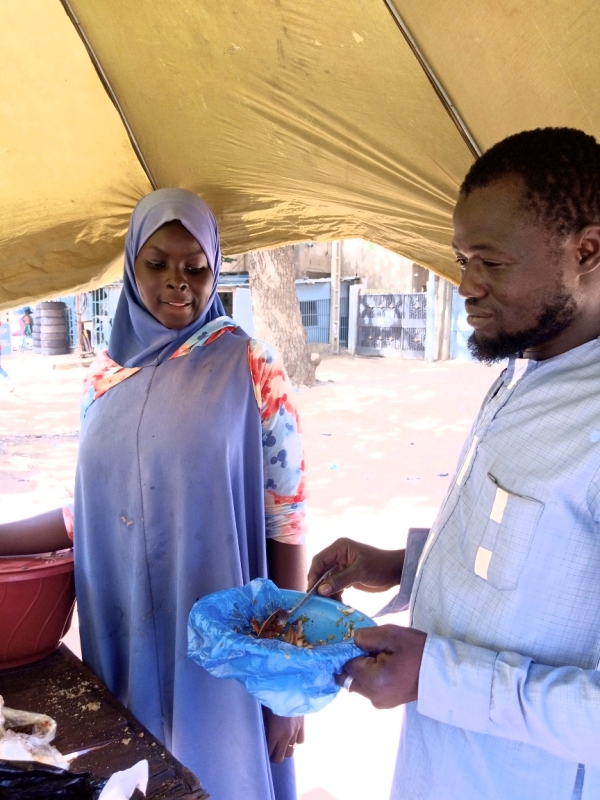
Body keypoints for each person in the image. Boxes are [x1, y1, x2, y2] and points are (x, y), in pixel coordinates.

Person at [309, 128, 600, 800]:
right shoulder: (528, 366)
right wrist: (401, 563)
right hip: (441, 768)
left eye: (491, 263)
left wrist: (436, 676)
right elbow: (531, 556)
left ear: (586, 250)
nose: (466, 286)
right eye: (462, 258)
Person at [0, 189, 306, 800]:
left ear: (215, 270)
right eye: (158, 264)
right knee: (140, 779)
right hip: (123, 637)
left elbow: (286, 524)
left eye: (196, 267)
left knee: (220, 778)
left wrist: (286, 683)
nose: (178, 283)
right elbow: (86, 511)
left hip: (221, 647)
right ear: (132, 266)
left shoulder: (250, 366)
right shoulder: (105, 377)